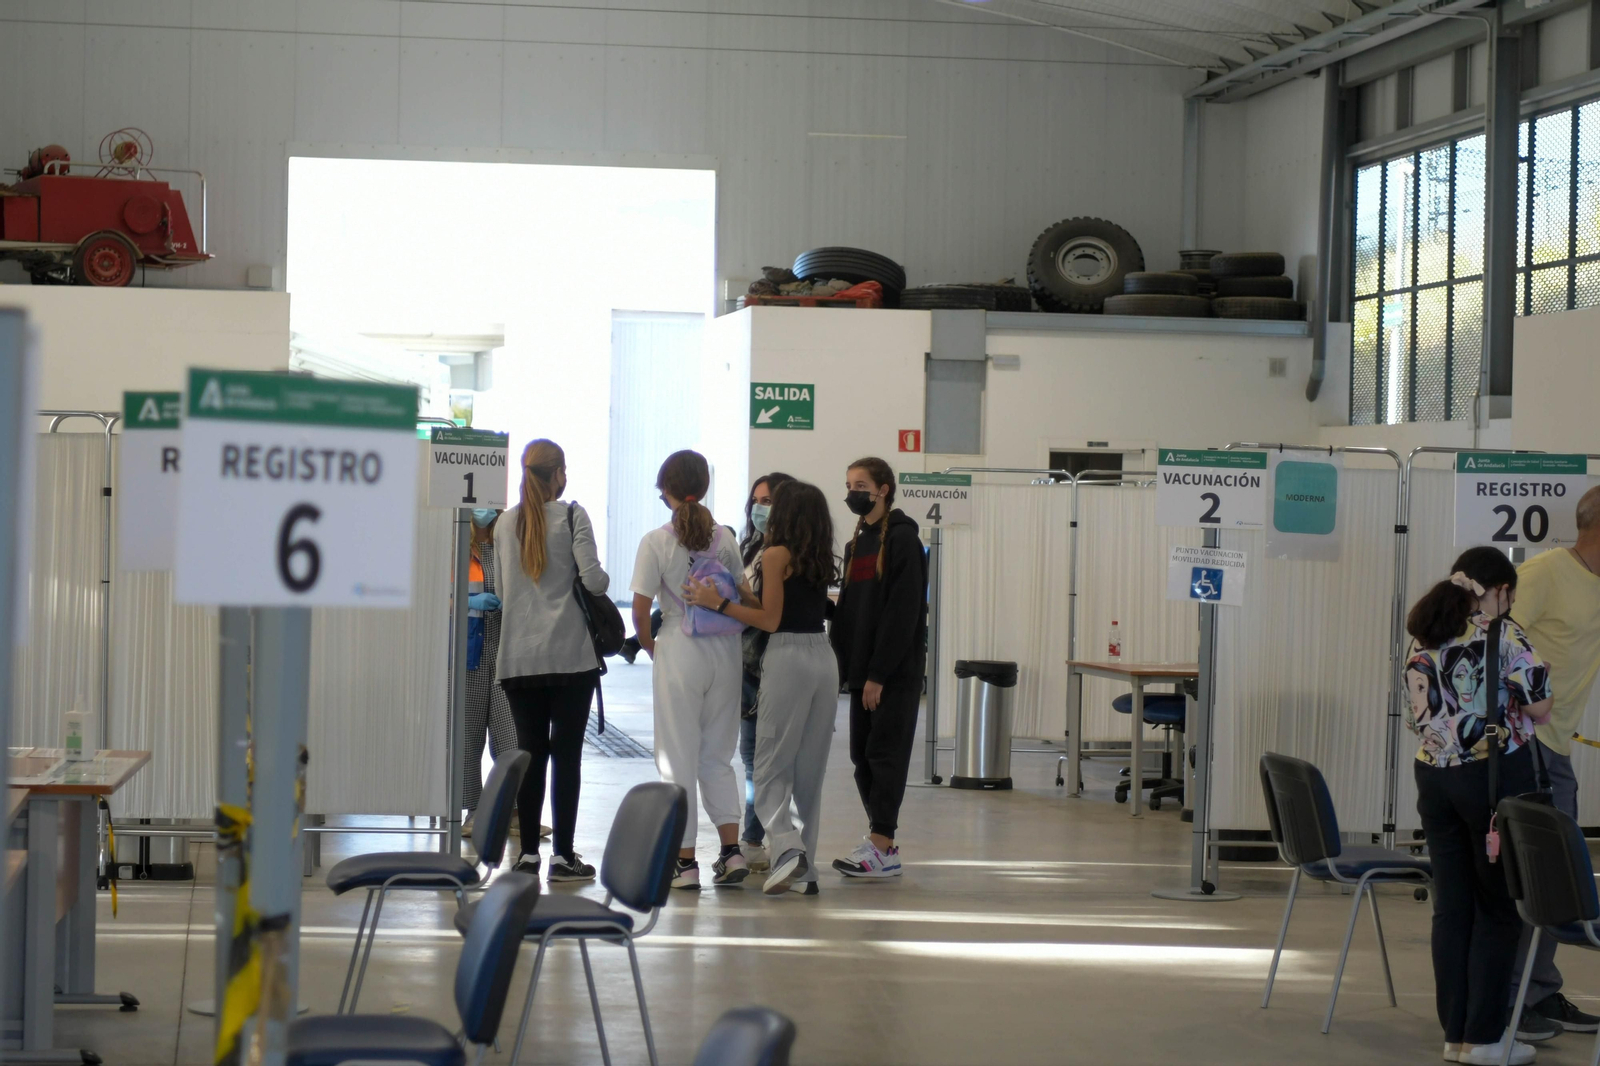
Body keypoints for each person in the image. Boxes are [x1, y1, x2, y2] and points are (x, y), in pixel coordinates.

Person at [1405, 547, 1553, 1066]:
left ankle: (1456, 1035)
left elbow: (1422, 713)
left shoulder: (1424, 635)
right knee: (1495, 910)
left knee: (1452, 909)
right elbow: (1540, 707)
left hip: (1434, 780)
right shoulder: (1504, 636)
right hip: (1488, 782)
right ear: (1500, 590)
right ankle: (1485, 1040)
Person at [686, 479, 838, 896]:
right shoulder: (817, 555)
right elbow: (781, 607)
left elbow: (771, 622)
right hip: (823, 657)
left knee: (769, 766)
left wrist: (715, 602)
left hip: (787, 658)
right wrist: (741, 595)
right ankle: (806, 872)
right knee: (810, 770)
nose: (763, 511)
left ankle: (786, 847)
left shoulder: (773, 554)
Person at [631, 450, 753, 889]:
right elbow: (744, 596)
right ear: (702, 487)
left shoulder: (656, 541)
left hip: (680, 646)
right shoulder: (725, 538)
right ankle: (731, 852)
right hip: (726, 648)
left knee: (677, 755)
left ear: (665, 489)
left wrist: (651, 648)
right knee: (718, 755)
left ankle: (685, 863)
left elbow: (641, 611)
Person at [1505, 486, 1600, 1037]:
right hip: (1528, 746)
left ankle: (1536, 992)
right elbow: (1490, 642)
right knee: (1541, 877)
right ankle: (1519, 1001)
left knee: (1551, 880)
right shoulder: (1544, 574)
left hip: (1557, 746)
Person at [494, 439, 609, 882]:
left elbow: (503, 594)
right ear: (558, 472)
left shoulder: (506, 523)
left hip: (519, 658)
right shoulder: (573, 516)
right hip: (569, 657)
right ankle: (562, 856)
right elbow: (595, 581)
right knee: (568, 756)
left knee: (530, 753)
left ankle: (526, 855)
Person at [829, 457, 927, 879]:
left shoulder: (902, 540)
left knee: (885, 756)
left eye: (861, 484)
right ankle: (879, 839)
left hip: (891, 674)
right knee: (861, 757)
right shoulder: (857, 544)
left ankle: (883, 844)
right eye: (849, 483)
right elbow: (852, 611)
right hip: (862, 673)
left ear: (883, 489)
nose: (853, 491)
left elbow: (902, 615)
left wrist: (879, 674)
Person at [736, 471, 794, 873]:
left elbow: (766, 614)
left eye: (769, 501)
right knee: (751, 756)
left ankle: (759, 838)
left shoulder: (786, 553)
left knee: (767, 760)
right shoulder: (751, 546)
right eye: (756, 500)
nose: (760, 508)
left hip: (772, 663)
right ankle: (753, 838)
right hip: (745, 665)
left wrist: (724, 603)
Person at [458, 507, 520, 840]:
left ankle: (511, 811)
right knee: (469, 741)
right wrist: (471, 601)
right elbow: (439, 597)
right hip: (469, 656)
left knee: (512, 739)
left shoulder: (506, 543)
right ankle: (474, 810)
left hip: (504, 655)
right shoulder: (454, 545)